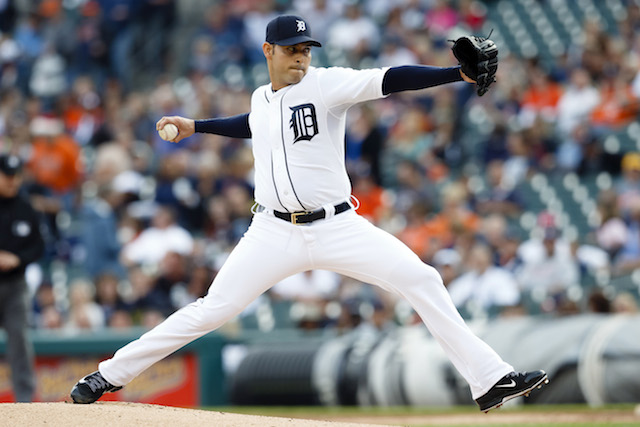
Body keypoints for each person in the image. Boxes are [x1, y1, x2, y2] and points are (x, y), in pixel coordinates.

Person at [71, 15, 548, 412]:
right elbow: (252, 124)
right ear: (268, 51)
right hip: (272, 232)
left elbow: (391, 78)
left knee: (421, 279)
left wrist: (454, 74)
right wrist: (195, 125)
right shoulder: (261, 98)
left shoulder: (328, 85)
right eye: (292, 48)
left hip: (338, 225)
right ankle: (107, 375)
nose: (301, 55)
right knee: (211, 310)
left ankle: (490, 380)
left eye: (306, 47)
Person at [0, 153, 45, 402]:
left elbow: (38, 247)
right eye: (7, 175)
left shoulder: (26, 208)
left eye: (15, 176)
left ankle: (25, 403)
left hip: (16, 286)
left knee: (19, 341)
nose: (12, 181)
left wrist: (17, 259)